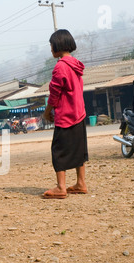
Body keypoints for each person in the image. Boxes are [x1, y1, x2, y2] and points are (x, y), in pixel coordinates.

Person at [42, 29, 89, 200]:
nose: (51, 48)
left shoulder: (60, 66)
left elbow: (54, 94)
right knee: (79, 149)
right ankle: (81, 183)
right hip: (79, 112)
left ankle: (61, 187)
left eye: (51, 45)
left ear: (57, 45)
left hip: (66, 115)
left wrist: (47, 112)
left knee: (58, 150)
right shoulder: (76, 64)